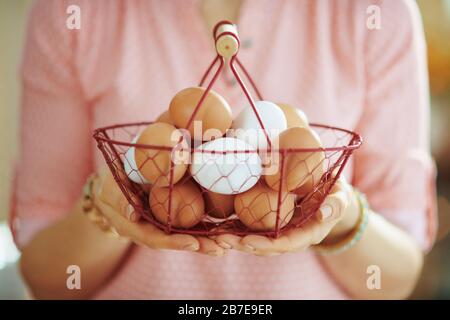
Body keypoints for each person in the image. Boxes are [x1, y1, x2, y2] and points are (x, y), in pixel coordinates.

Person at [13, 0, 436, 299]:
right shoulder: (72, 13)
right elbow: (47, 281)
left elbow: (394, 281)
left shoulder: (375, 12)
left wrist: (339, 215)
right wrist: (104, 210)